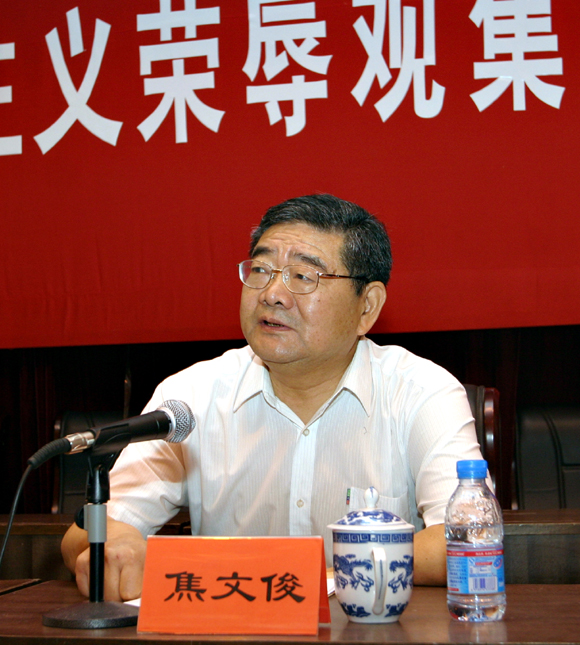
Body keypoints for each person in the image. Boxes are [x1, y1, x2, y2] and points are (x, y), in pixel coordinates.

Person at [62, 194, 483, 601]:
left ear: (366, 307)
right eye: (261, 270)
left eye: (303, 276)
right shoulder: (192, 396)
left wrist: (316, 575)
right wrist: (119, 545)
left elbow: (468, 537)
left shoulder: (421, 392)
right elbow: (87, 534)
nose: (272, 293)